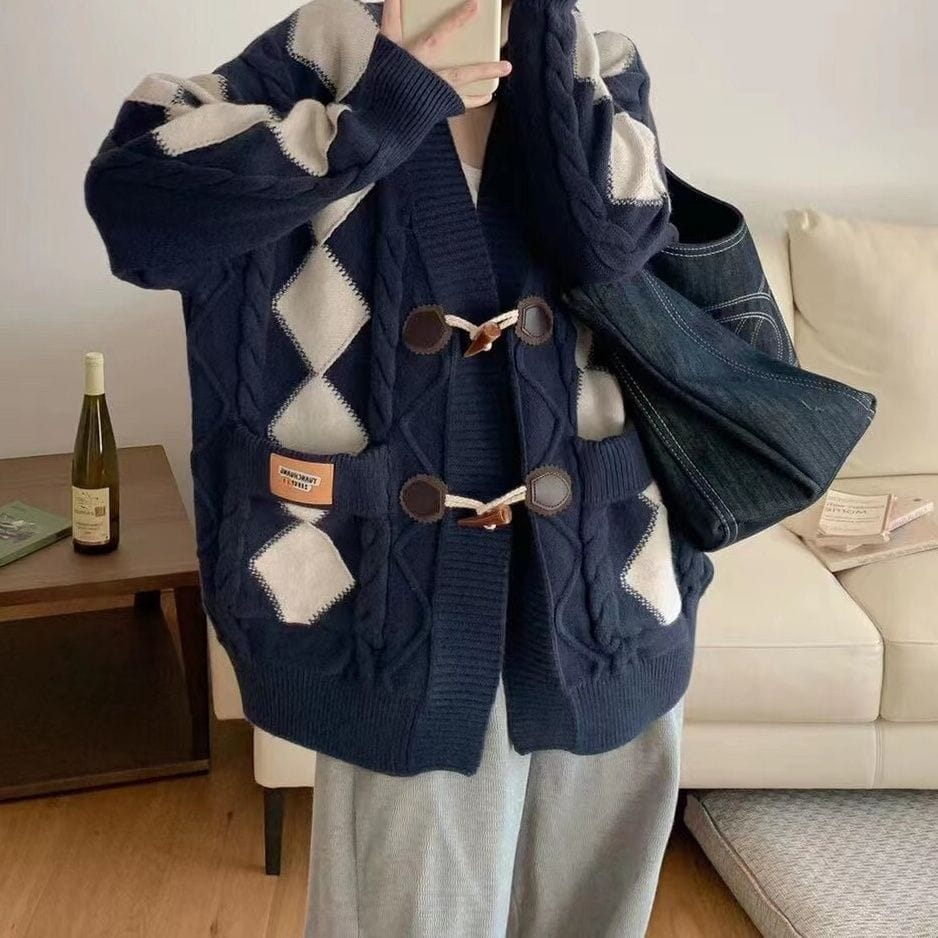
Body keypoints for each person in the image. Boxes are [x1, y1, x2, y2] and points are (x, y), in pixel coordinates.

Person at [84, 0, 714, 934]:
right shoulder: (313, 58)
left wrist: (544, 50)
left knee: (596, 913)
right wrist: (376, 112)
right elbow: (134, 208)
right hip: (393, 605)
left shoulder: (597, 64)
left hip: (610, 586)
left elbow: (615, 240)